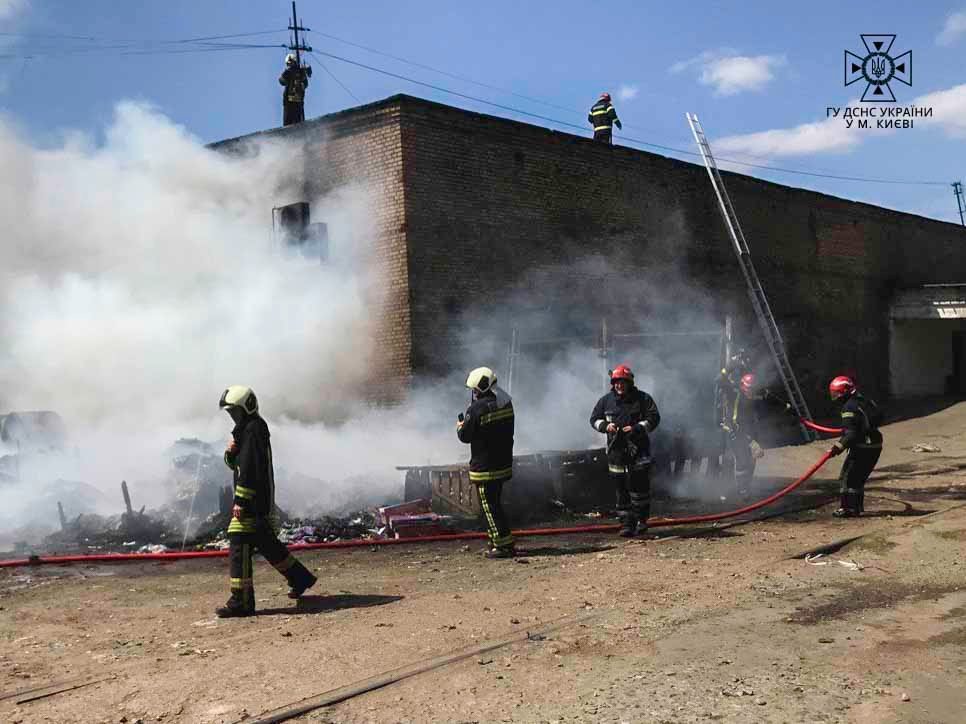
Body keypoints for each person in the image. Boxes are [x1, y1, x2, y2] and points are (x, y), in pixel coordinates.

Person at [216, 385, 316, 617]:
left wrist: (241, 499)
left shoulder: (252, 430)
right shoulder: (248, 430)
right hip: (257, 499)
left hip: (253, 500)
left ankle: (241, 601)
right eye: (230, 413)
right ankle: (300, 578)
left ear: (247, 408)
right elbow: (237, 466)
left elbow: (250, 469)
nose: (232, 416)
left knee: (239, 539)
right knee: (265, 542)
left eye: (235, 411)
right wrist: (230, 453)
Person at [590, 364, 660, 537]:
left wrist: (637, 428)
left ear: (629, 383)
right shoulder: (606, 401)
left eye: (622, 382)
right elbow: (594, 419)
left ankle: (641, 521)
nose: (619, 385)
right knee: (621, 491)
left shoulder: (643, 399)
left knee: (640, 489)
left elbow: (654, 417)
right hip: (617, 453)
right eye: (616, 382)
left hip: (638, 452)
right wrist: (606, 426)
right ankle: (626, 524)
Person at [457, 367, 516, 558]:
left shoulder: (476, 409)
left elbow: (465, 436)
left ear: (482, 387)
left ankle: (502, 545)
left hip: (485, 468)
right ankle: (496, 540)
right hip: (502, 463)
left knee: (489, 508)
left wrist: (460, 426)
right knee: (495, 504)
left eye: (475, 389)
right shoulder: (505, 402)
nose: (473, 393)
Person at [827, 376, 883, 517]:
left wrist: (836, 448)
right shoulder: (865, 400)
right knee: (858, 478)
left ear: (844, 392)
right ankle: (856, 507)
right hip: (874, 443)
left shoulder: (848, 408)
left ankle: (848, 509)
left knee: (848, 477)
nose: (835, 397)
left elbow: (851, 434)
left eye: (836, 393)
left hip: (862, 446)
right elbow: (879, 416)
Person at [279, 53, 311, 127]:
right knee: (289, 123)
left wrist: (301, 85)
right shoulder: (289, 72)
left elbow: (305, 84)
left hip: (296, 102)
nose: (289, 65)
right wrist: (286, 73)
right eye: (288, 64)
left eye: (289, 63)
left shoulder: (300, 72)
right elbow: (281, 81)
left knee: (297, 123)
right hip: (290, 101)